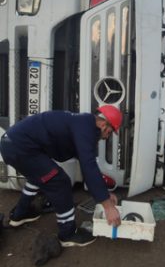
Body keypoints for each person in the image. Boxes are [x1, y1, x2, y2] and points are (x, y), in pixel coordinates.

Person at [0, 105, 123, 247]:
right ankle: (68, 234)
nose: (108, 136)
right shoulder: (85, 129)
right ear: (103, 124)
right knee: (59, 182)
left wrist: (104, 194)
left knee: (39, 175)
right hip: (20, 147)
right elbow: (89, 167)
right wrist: (108, 207)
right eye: (110, 131)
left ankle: (20, 214)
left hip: (12, 143)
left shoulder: (83, 123)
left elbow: (88, 166)